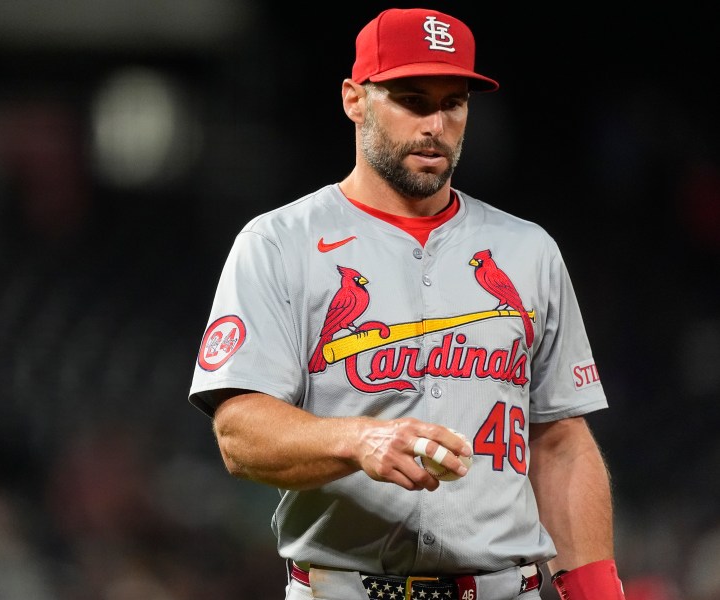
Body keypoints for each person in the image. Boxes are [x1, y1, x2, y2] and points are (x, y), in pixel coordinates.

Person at [189, 7, 626, 600]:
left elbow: (560, 441)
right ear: (354, 99)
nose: (436, 124)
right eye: (413, 100)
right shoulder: (279, 243)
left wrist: (598, 593)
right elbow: (239, 432)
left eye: (454, 103)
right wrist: (359, 440)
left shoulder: (529, 251)